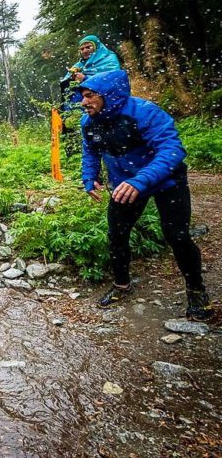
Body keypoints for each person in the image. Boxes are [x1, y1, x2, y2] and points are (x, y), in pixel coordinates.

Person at [77, 70, 214, 322]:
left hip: (166, 182)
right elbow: (91, 151)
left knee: (178, 235)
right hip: (124, 185)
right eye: (82, 97)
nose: (83, 103)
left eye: (89, 96)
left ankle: (196, 291)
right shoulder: (89, 122)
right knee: (117, 233)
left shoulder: (145, 112)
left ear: (109, 95)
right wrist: (89, 177)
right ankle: (121, 285)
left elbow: (172, 150)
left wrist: (141, 180)